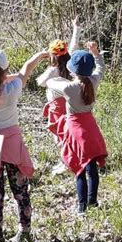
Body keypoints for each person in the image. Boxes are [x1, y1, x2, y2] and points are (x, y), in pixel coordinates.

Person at [0, 49, 48, 242]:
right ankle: (25, 231)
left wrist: (2, 74)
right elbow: (24, 72)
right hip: (12, 145)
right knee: (20, 190)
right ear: (5, 71)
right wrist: (37, 57)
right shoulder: (12, 88)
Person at [46, 42, 107, 213]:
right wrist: (96, 53)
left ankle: (81, 207)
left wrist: (55, 74)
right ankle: (92, 201)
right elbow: (100, 68)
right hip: (91, 127)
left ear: (72, 70)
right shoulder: (93, 81)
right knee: (91, 167)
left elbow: (50, 83)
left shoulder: (68, 87)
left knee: (79, 168)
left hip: (75, 129)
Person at [37, 17, 81, 175]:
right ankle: (71, 159)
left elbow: (39, 82)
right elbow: (74, 45)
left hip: (56, 108)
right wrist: (76, 28)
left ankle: (66, 163)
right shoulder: (71, 65)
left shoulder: (52, 70)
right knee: (68, 134)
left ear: (52, 55)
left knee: (59, 137)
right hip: (70, 105)